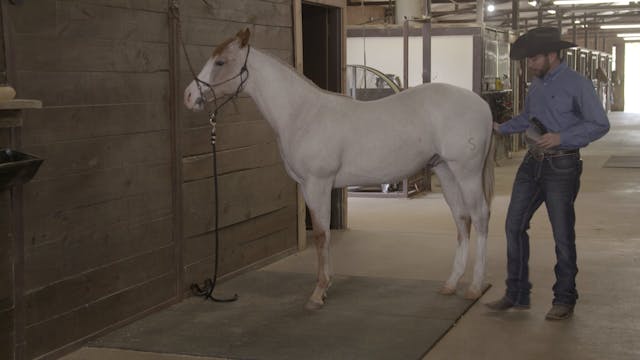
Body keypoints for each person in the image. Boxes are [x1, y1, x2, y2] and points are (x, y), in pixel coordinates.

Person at [486, 27, 610, 320]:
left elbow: (600, 124)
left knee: (562, 234)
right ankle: (516, 293)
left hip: (562, 166)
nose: (529, 64)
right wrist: (500, 128)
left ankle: (564, 298)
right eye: (528, 60)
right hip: (532, 163)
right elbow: (528, 118)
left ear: (552, 55)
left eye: (534, 59)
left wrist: (561, 137)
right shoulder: (536, 85)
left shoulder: (578, 84)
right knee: (513, 225)